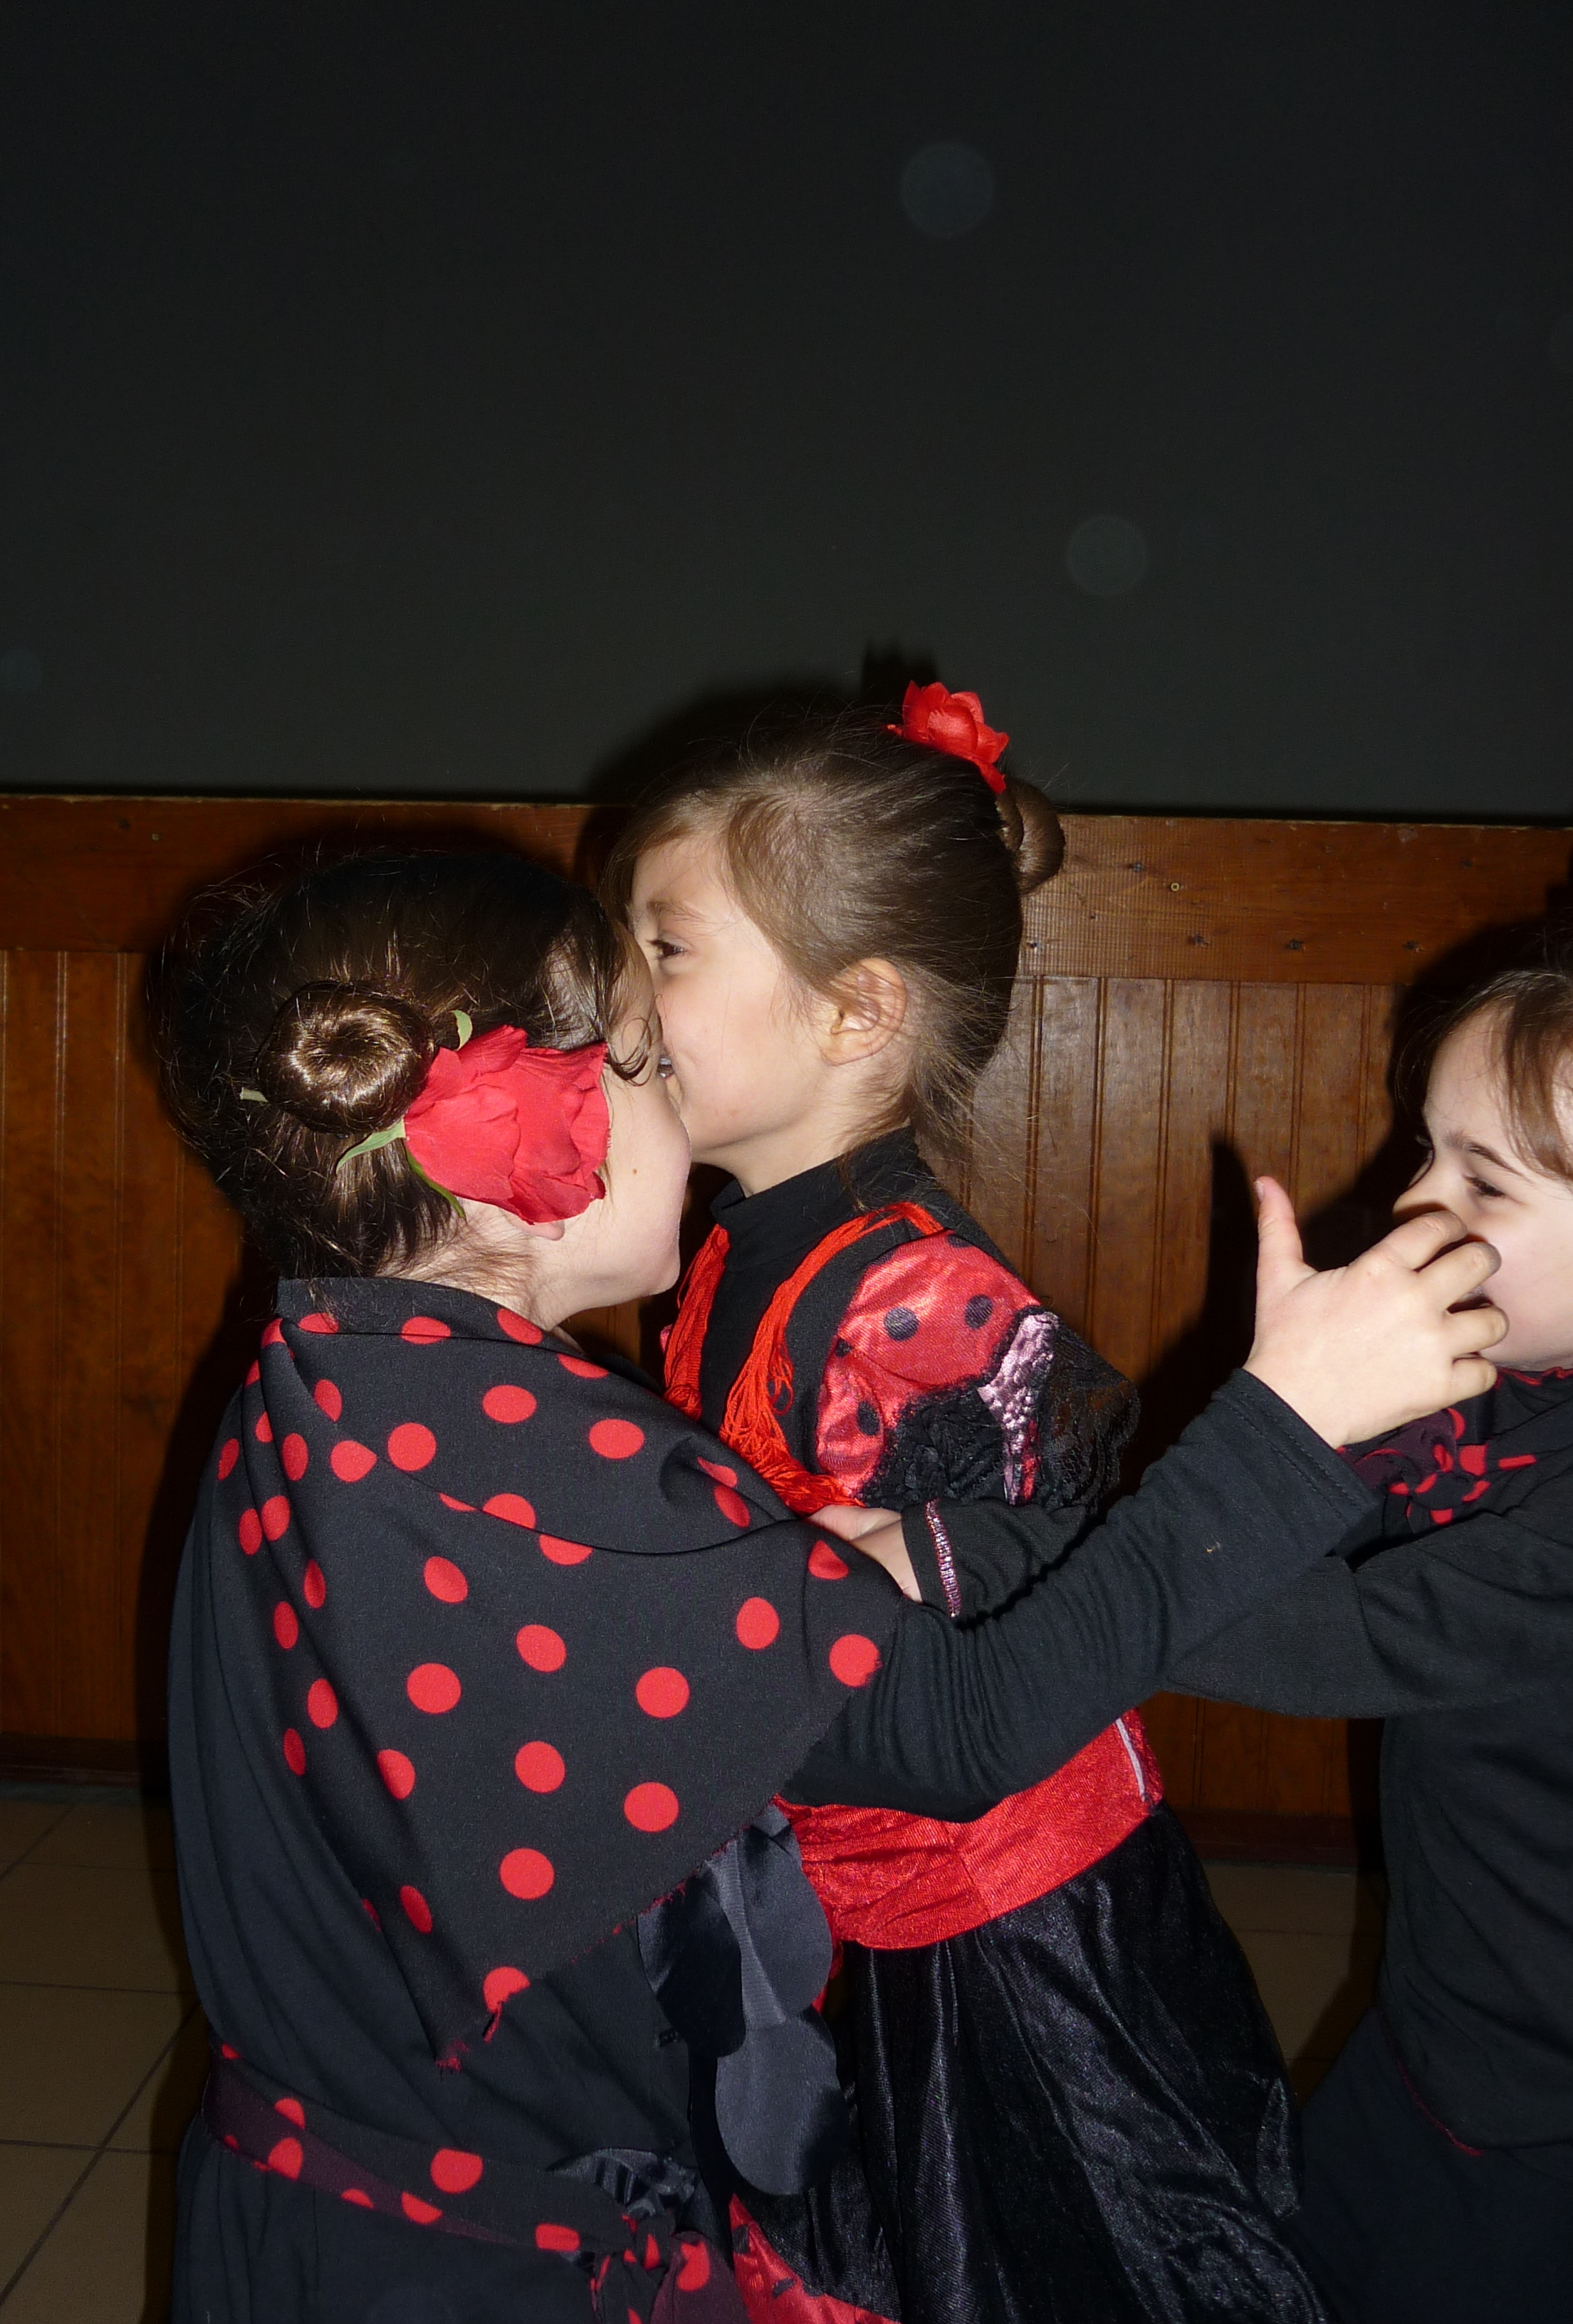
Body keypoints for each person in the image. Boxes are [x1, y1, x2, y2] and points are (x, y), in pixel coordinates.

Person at [157, 846, 1497, 2324]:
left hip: (317, 2200)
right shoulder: (527, 1464)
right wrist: (1287, 1427)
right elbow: (970, 1728)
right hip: (471, 2264)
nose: (679, 1103)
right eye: (647, 1066)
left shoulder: (324, 1373)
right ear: (528, 1141)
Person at [605, 684, 1383, 2324]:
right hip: (844, 1895)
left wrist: (926, 1556)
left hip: (1012, 1950)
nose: (623, 991)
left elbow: (1081, 1534)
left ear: (856, 1011)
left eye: (665, 950)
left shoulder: (910, 1300)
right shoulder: (735, 1241)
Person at [1167, 943, 1573, 2323]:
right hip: (1434, 2023)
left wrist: (981, 1568)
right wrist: (1300, 1413)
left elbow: (1323, 1637)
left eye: (1482, 1181)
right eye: (1427, 1150)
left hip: (1538, 2118)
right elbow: (1279, 1534)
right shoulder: (1491, 1374)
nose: (1414, 1202)